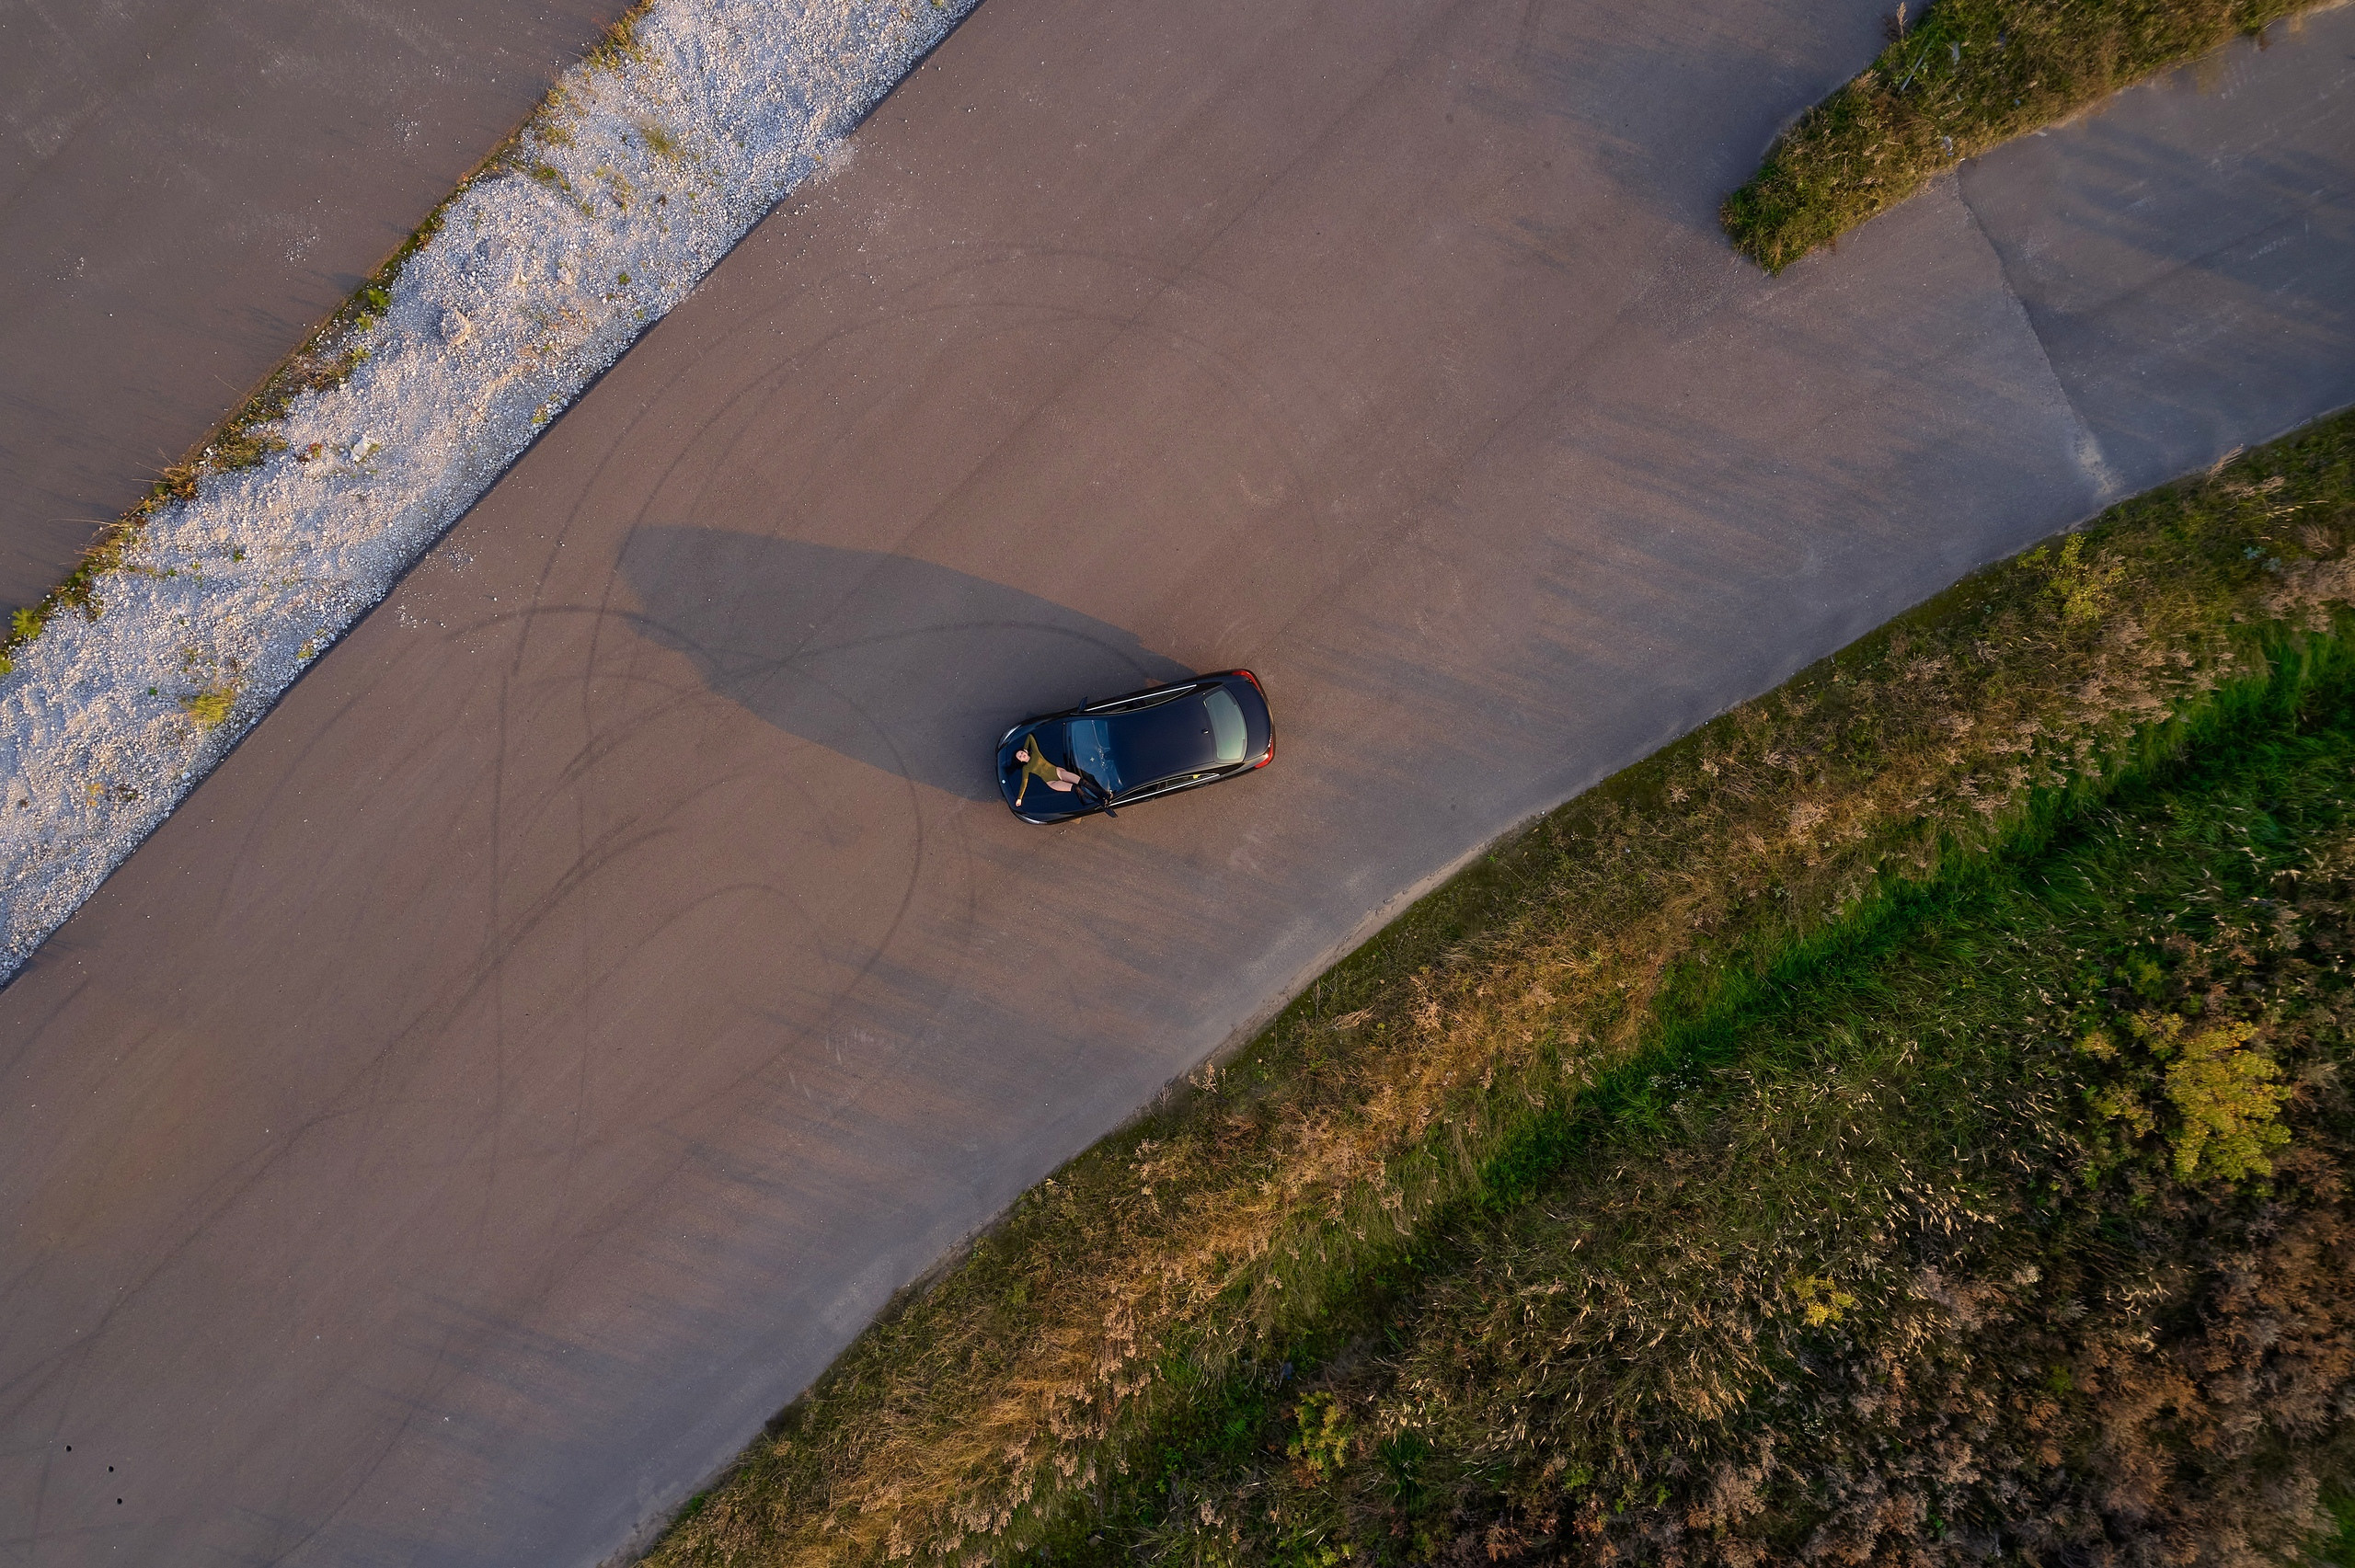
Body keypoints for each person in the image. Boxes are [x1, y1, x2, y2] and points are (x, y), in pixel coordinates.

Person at [1013, 734, 1086, 807]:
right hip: (1051, 782)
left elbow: (1030, 736)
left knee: (1083, 782)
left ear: (1025, 751)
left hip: (1058, 773)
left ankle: (1096, 796)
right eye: (1020, 756)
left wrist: (1025, 748)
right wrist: (1020, 798)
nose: (1022, 755)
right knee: (1076, 788)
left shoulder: (1035, 753)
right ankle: (1093, 800)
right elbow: (1024, 783)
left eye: (1022, 752)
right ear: (1021, 761)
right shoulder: (1026, 768)